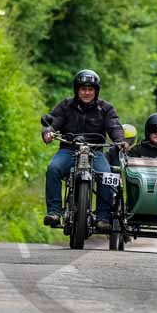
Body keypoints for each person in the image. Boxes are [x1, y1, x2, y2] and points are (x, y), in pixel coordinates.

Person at [42, 69, 126, 231]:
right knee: (53, 169)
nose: (87, 92)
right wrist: (48, 131)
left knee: (106, 175)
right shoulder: (65, 105)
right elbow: (52, 122)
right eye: (83, 89)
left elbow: (114, 126)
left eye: (90, 89)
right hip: (69, 149)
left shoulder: (106, 108)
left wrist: (120, 141)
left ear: (96, 91)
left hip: (96, 151)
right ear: (77, 90)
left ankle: (102, 217)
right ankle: (54, 212)